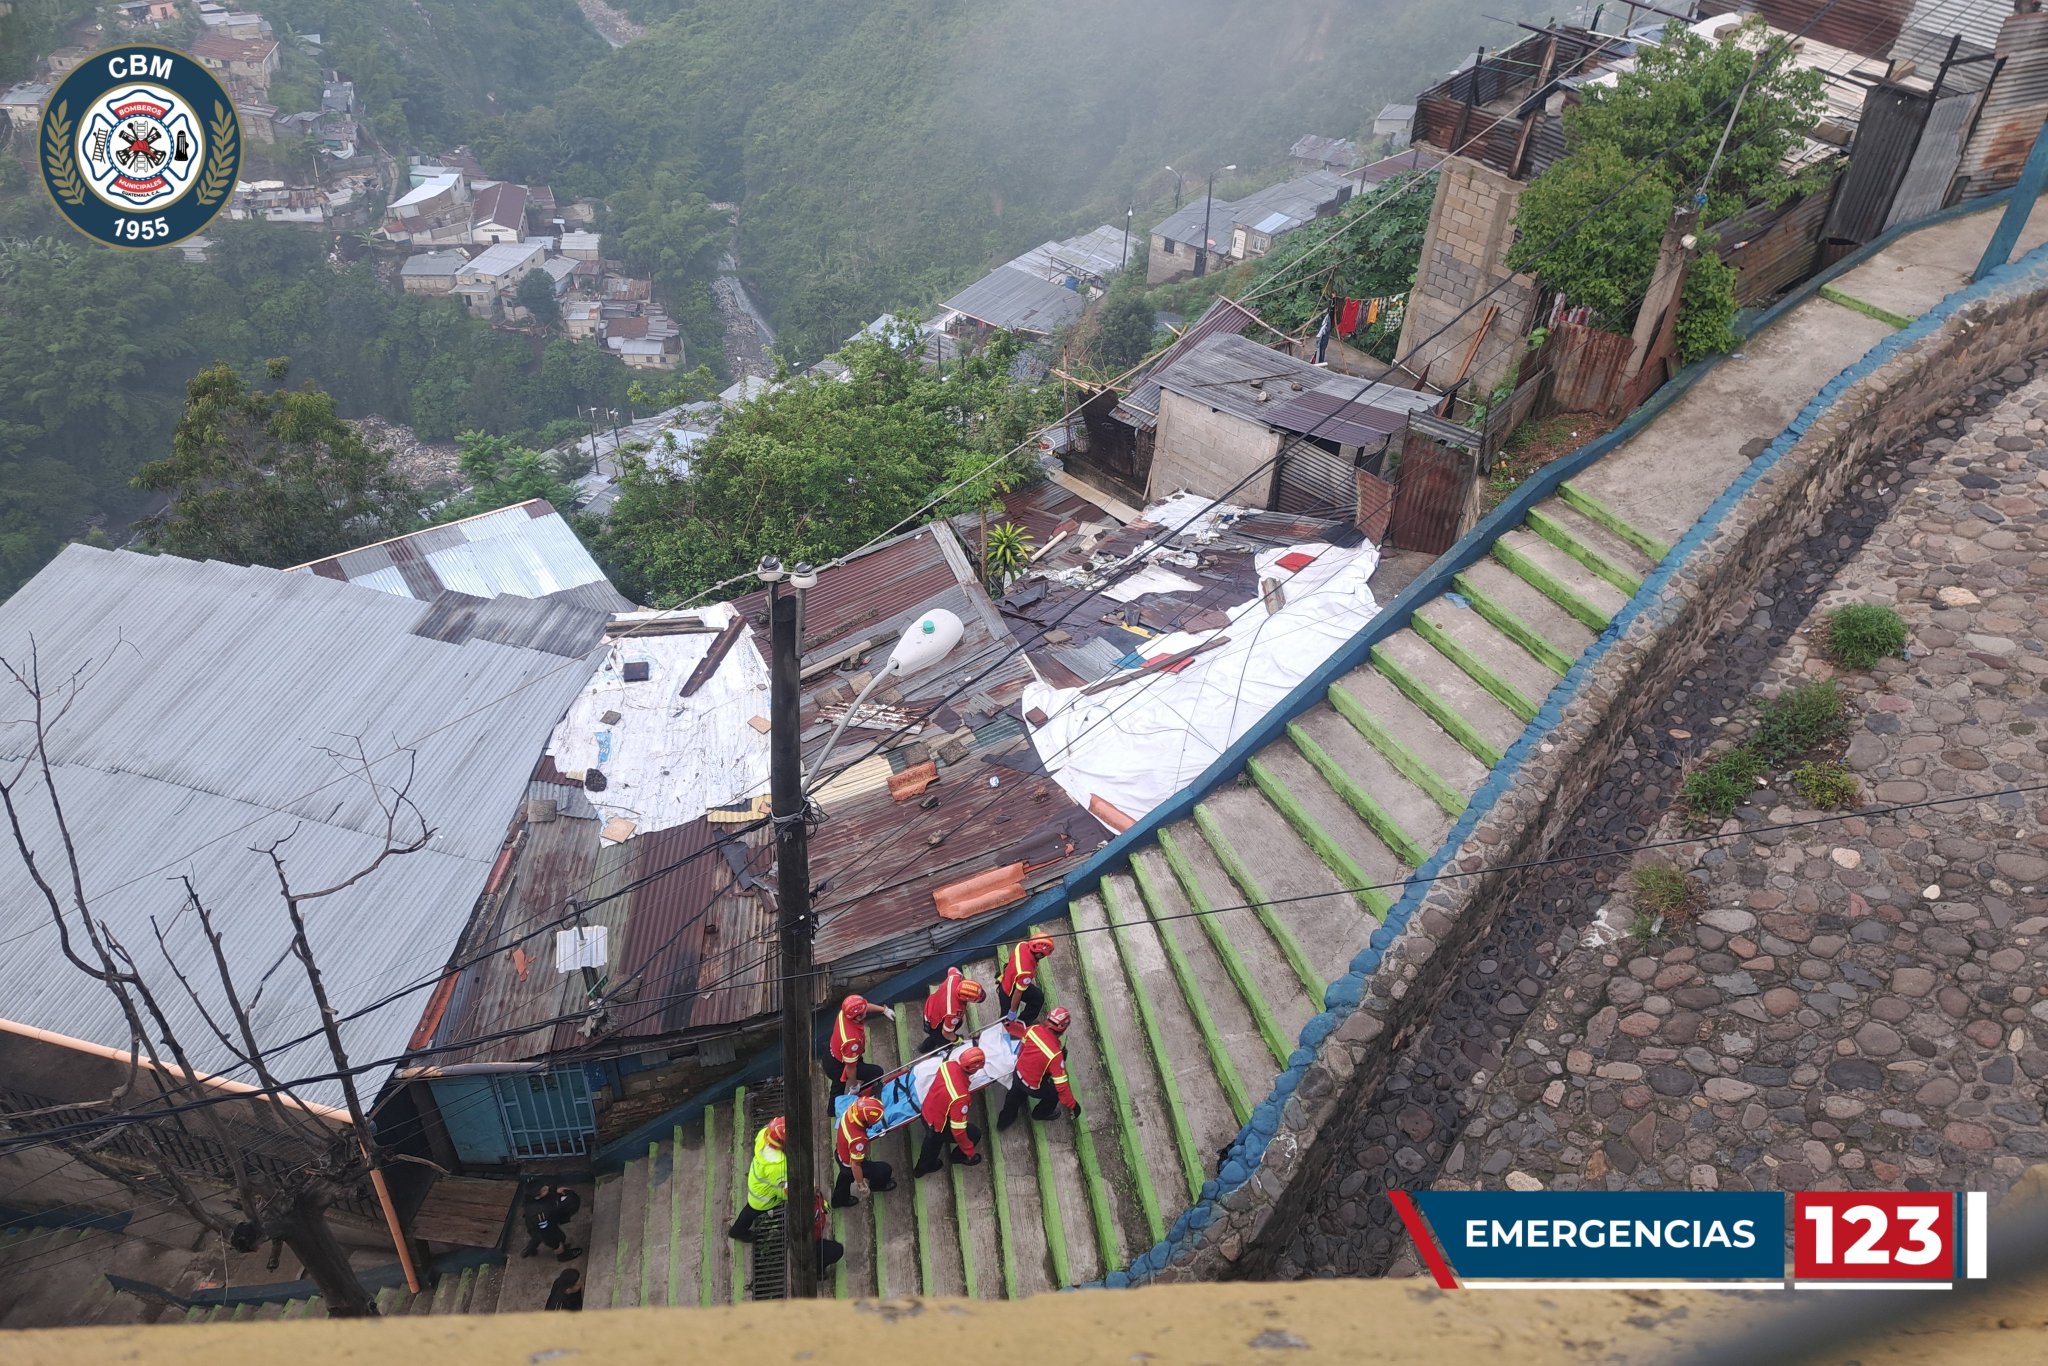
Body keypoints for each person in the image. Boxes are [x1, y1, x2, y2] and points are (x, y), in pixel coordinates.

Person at [998, 1006, 1080, 1130]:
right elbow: (1062, 1087)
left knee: (1013, 1097)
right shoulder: (1055, 1055)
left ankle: (1003, 1122)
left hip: (1017, 1073)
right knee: (1054, 1094)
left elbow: (1022, 1051)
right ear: (1062, 1029)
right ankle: (1040, 1113)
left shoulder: (1032, 1030)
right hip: (1032, 1086)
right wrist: (1073, 1105)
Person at [912, 1046, 985, 1177]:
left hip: (927, 1109)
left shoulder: (948, 1066)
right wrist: (969, 1151)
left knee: (931, 1144)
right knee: (974, 1134)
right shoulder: (960, 1097)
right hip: (939, 1125)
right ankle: (957, 1157)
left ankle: (922, 1169)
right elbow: (958, 1130)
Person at [728, 1116, 788, 1242]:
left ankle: (737, 1231)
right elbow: (787, 1189)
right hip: (763, 1196)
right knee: (750, 1212)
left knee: (750, 1211)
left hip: (758, 1179)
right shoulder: (777, 1166)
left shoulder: (764, 1134)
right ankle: (737, 1232)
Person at [822, 994, 895, 1094]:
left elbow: (864, 1007)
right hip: (838, 1065)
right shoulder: (852, 1041)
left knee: (840, 1083)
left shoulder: (844, 1013)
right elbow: (850, 1068)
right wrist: (854, 1086)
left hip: (832, 1052)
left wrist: (884, 1010)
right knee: (876, 1073)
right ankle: (861, 1095)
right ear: (858, 1018)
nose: (867, 1009)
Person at [831, 1095, 894, 1207]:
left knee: (844, 1179)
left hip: (840, 1152)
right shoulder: (858, 1139)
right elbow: (855, 1165)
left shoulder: (848, 1113)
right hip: (850, 1163)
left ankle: (838, 1201)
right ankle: (877, 1185)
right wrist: (861, 1185)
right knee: (885, 1170)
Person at [918, 966, 984, 1052]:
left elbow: (951, 969)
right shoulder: (954, 1012)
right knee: (942, 1041)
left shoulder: (955, 976)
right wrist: (957, 1040)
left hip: (932, 1004)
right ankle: (926, 1049)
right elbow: (946, 1033)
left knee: (958, 1023)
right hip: (934, 1022)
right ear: (965, 998)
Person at [998, 934, 1055, 1025]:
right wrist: (1012, 1011)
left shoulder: (1022, 945)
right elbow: (1018, 993)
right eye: (1044, 955)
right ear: (1039, 954)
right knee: (1007, 1022)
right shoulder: (1026, 972)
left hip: (1009, 979)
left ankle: (1023, 1022)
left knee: (1037, 998)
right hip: (1008, 992)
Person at [521, 1182, 585, 1262]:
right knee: (557, 1239)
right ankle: (562, 1256)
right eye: (544, 1190)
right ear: (537, 1197)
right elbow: (546, 1233)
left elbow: (545, 1191)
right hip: (543, 1228)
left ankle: (530, 1250)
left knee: (535, 1237)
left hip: (532, 1222)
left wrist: (555, 1191)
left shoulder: (529, 1195)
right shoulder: (540, 1213)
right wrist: (556, 1244)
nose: (547, 1188)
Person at [813, 1193, 844, 1279]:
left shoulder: (817, 1195)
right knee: (837, 1250)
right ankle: (815, 1270)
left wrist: (823, 1206)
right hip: (808, 1243)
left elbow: (821, 1202)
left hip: (816, 1237)